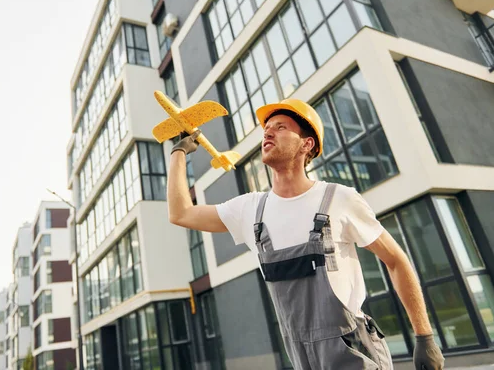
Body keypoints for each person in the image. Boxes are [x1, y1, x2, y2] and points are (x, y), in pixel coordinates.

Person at [167, 98, 444, 370]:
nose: (268, 131)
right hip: (300, 357)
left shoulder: (340, 199)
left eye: (280, 127)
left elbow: (395, 260)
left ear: (306, 144)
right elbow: (180, 213)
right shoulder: (251, 209)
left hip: (354, 354)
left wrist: (424, 336)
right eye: (267, 128)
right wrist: (179, 152)